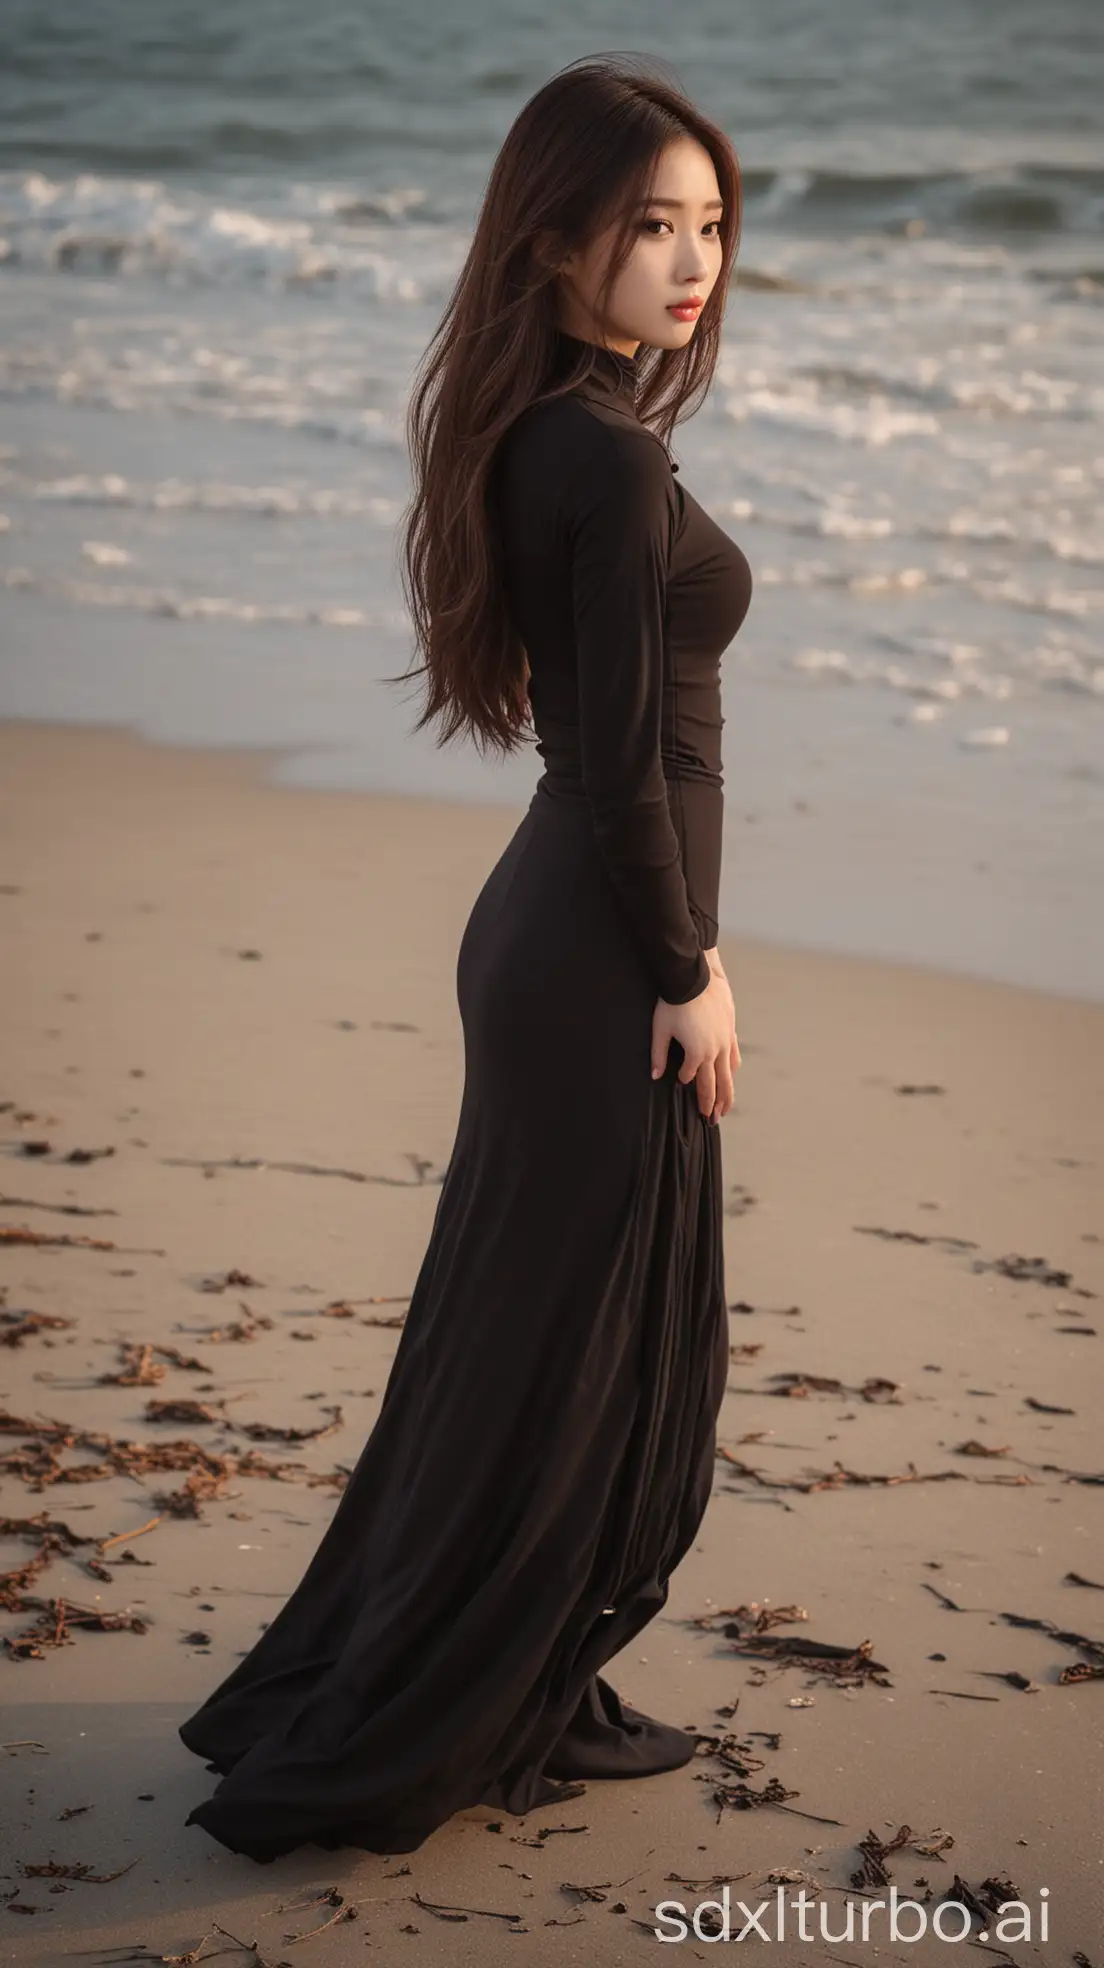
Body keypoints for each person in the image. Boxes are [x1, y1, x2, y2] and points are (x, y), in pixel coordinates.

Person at [178, 53, 753, 1862]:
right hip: (598, 947)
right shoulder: (596, 450)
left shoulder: (561, 431)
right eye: (649, 224)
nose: (689, 262)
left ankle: (527, 1676)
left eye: (711, 225)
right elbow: (615, 771)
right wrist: (689, 965)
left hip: (561, 938)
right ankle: (458, 1704)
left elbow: (607, 749)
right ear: (556, 239)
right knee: (564, 1356)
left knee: (536, 1342)